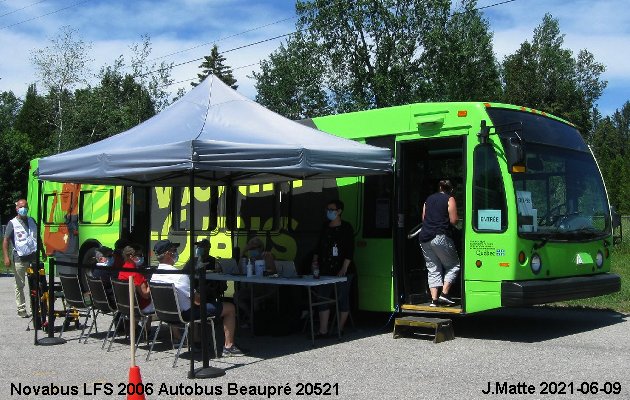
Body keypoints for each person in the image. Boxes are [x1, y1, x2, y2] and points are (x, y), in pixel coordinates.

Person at [149, 239, 245, 357]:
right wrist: (200, 293)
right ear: (169, 253)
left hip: (165, 315)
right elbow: (198, 301)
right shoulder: (178, 276)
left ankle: (196, 342)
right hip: (185, 314)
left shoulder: (155, 275)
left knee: (192, 303)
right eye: (175, 250)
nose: (176, 253)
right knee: (230, 307)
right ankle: (229, 346)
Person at [311, 199, 354, 337]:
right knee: (323, 297)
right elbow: (318, 246)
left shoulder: (347, 227)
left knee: (342, 298)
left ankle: (339, 328)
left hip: (343, 269)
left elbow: (350, 250)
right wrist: (315, 261)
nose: (328, 212)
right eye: (327, 209)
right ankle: (323, 330)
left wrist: (344, 268)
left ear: (339, 211)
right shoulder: (325, 226)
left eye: (331, 209)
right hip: (325, 269)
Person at [418, 179, 461, 307]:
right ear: (451, 189)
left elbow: (424, 218)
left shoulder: (428, 199)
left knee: (433, 268)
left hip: (424, 237)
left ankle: (434, 300)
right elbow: (453, 220)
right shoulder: (450, 199)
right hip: (440, 236)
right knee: (454, 265)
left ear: (439, 188)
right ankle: (445, 294)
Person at [3, 199, 46, 318]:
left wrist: (42, 251)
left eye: (25, 206)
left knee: (35, 284)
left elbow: (37, 237)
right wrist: (6, 257)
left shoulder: (32, 221)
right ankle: (21, 308)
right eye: (21, 207)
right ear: (17, 209)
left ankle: (34, 308)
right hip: (20, 258)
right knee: (19, 284)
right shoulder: (12, 223)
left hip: (33, 257)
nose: (23, 209)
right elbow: (6, 240)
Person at [236, 237, 277, 327]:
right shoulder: (249, 258)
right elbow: (239, 271)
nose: (252, 250)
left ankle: (256, 323)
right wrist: (243, 252)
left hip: (267, 289)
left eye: (255, 248)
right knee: (237, 296)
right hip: (254, 288)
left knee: (255, 301)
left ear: (261, 248)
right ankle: (251, 318)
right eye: (250, 248)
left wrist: (265, 271)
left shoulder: (267, 255)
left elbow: (273, 271)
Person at [118, 243, 154, 314]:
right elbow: (146, 295)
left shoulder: (122, 270)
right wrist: (151, 281)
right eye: (140, 255)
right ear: (131, 256)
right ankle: (147, 325)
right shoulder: (135, 274)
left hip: (125, 305)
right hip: (141, 306)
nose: (142, 257)